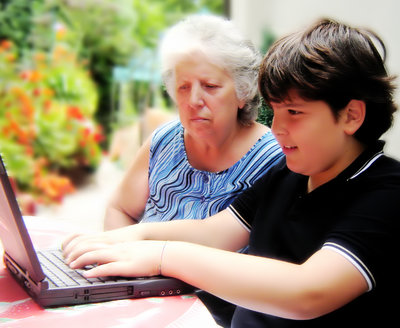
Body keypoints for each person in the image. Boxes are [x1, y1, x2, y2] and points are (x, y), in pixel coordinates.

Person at [63, 18, 400, 327]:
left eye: (294, 112)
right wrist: (119, 240)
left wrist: (163, 256)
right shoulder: (291, 174)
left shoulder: (386, 191)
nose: (278, 127)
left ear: (352, 116)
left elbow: (308, 291)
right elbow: (213, 232)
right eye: (275, 110)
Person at [103, 14, 282, 230]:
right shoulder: (164, 141)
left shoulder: (273, 159)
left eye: (210, 86)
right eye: (183, 87)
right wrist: (119, 255)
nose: (193, 101)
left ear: (243, 91)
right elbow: (120, 209)